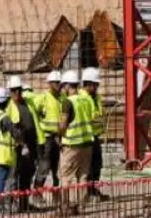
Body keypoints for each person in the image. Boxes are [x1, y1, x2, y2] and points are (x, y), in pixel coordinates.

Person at [5, 75, 43, 210]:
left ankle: (24, 204)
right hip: (17, 147)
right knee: (14, 176)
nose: (17, 93)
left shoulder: (28, 103)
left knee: (28, 174)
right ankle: (12, 204)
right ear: (10, 91)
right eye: (14, 90)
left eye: (19, 90)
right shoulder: (9, 107)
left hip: (31, 144)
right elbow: (12, 129)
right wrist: (22, 145)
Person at [58, 69, 93, 213]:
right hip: (87, 143)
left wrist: (59, 134)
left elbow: (63, 124)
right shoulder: (85, 99)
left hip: (72, 144)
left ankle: (65, 206)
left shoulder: (67, 102)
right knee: (83, 176)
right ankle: (82, 207)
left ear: (67, 86)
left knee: (66, 177)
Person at [33, 70, 65, 193]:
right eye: (55, 83)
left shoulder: (62, 97)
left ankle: (56, 190)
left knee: (56, 166)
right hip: (47, 137)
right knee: (44, 165)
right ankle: (37, 190)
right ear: (49, 83)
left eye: (59, 83)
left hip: (58, 137)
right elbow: (33, 111)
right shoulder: (43, 97)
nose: (58, 85)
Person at [81, 67, 109, 201]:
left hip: (95, 137)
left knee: (97, 165)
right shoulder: (82, 98)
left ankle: (94, 189)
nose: (97, 87)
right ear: (88, 83)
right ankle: (88, 192)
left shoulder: (96, 97)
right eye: (95, 84)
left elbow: (99, 114)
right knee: (89, 167)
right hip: (86, 138)